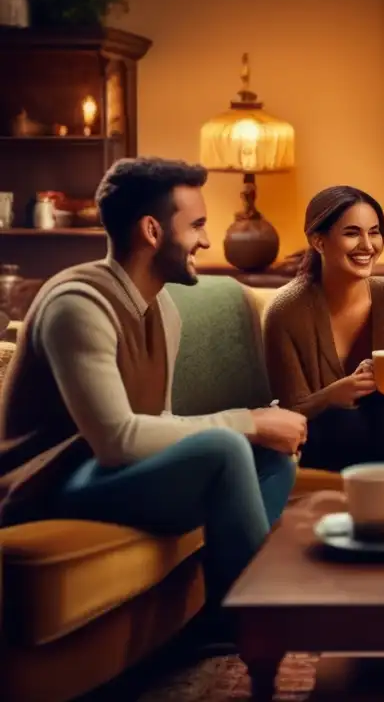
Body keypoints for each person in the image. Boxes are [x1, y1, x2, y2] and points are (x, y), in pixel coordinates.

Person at [0, 157, 306, 615]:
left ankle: (224, 605)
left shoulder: (163, 310)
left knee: (273, 462)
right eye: (197, 225)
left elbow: (153, 424)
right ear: (151, 231)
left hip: (106, 475)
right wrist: (250, 423)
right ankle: (253, 618)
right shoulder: (77, 306)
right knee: (227, 449)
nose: (205, 239)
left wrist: (261, 433)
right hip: (48, 483)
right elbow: (116, 441)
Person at [263, 186, 384, 471]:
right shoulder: (285, 311)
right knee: (357, 414)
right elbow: (288, 412)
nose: (367, 245)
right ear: (319, 242)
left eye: (374, 232)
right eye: (352, 233)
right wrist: (332, 395)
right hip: (324, 436)